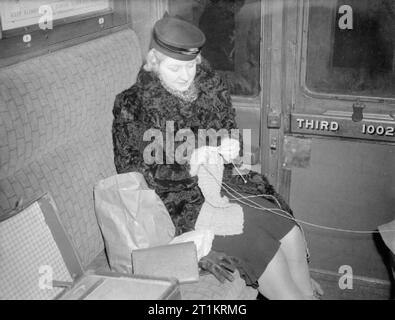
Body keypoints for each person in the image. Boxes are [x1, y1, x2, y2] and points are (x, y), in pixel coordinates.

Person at [112, 15, 322, 300]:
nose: (186, 76)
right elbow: (132, 173)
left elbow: (229, 131)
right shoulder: (132, 104)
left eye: (191, 66)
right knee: (260, 244)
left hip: (220, 185)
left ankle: (306, 292)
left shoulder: (211, 88)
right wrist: (189, 165)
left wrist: (229, 147)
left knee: (288, 229)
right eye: (175, 68)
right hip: (175, 203)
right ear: (154, 60)